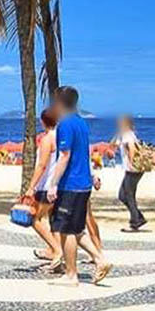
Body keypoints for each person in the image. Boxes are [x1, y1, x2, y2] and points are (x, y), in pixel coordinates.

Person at [46, 86, 111, 285]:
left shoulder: (65, 125)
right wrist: (91, 175)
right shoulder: (82, 124)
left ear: (59, 103)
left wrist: (53, 184)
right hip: (83, 185)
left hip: (70, 185)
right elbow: (83, 153)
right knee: (76, 229)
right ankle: (100, 259)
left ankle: (71, 274)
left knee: (66, 231)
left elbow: (65, 156)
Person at [25, 108, 62, 266]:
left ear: (43, 122)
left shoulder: (47, 139)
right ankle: (55, 252)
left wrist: (31, 187)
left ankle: (57, 251)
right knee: (55, 222)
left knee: (35, 219)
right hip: (58, 185)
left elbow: (41, 165)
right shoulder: (62, 137)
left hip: (46, 186)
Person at [116, 114, 147, 231]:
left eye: (120, 122)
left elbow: (132, 149)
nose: (118, 124)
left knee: (128, 195)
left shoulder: (127, 135)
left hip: (132, 169)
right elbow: (112, 144)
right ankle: (138, 217)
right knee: (122, 195)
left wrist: (131, 163)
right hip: (132, 169)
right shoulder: (125, 134)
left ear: (126, 124)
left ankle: (135, 222)